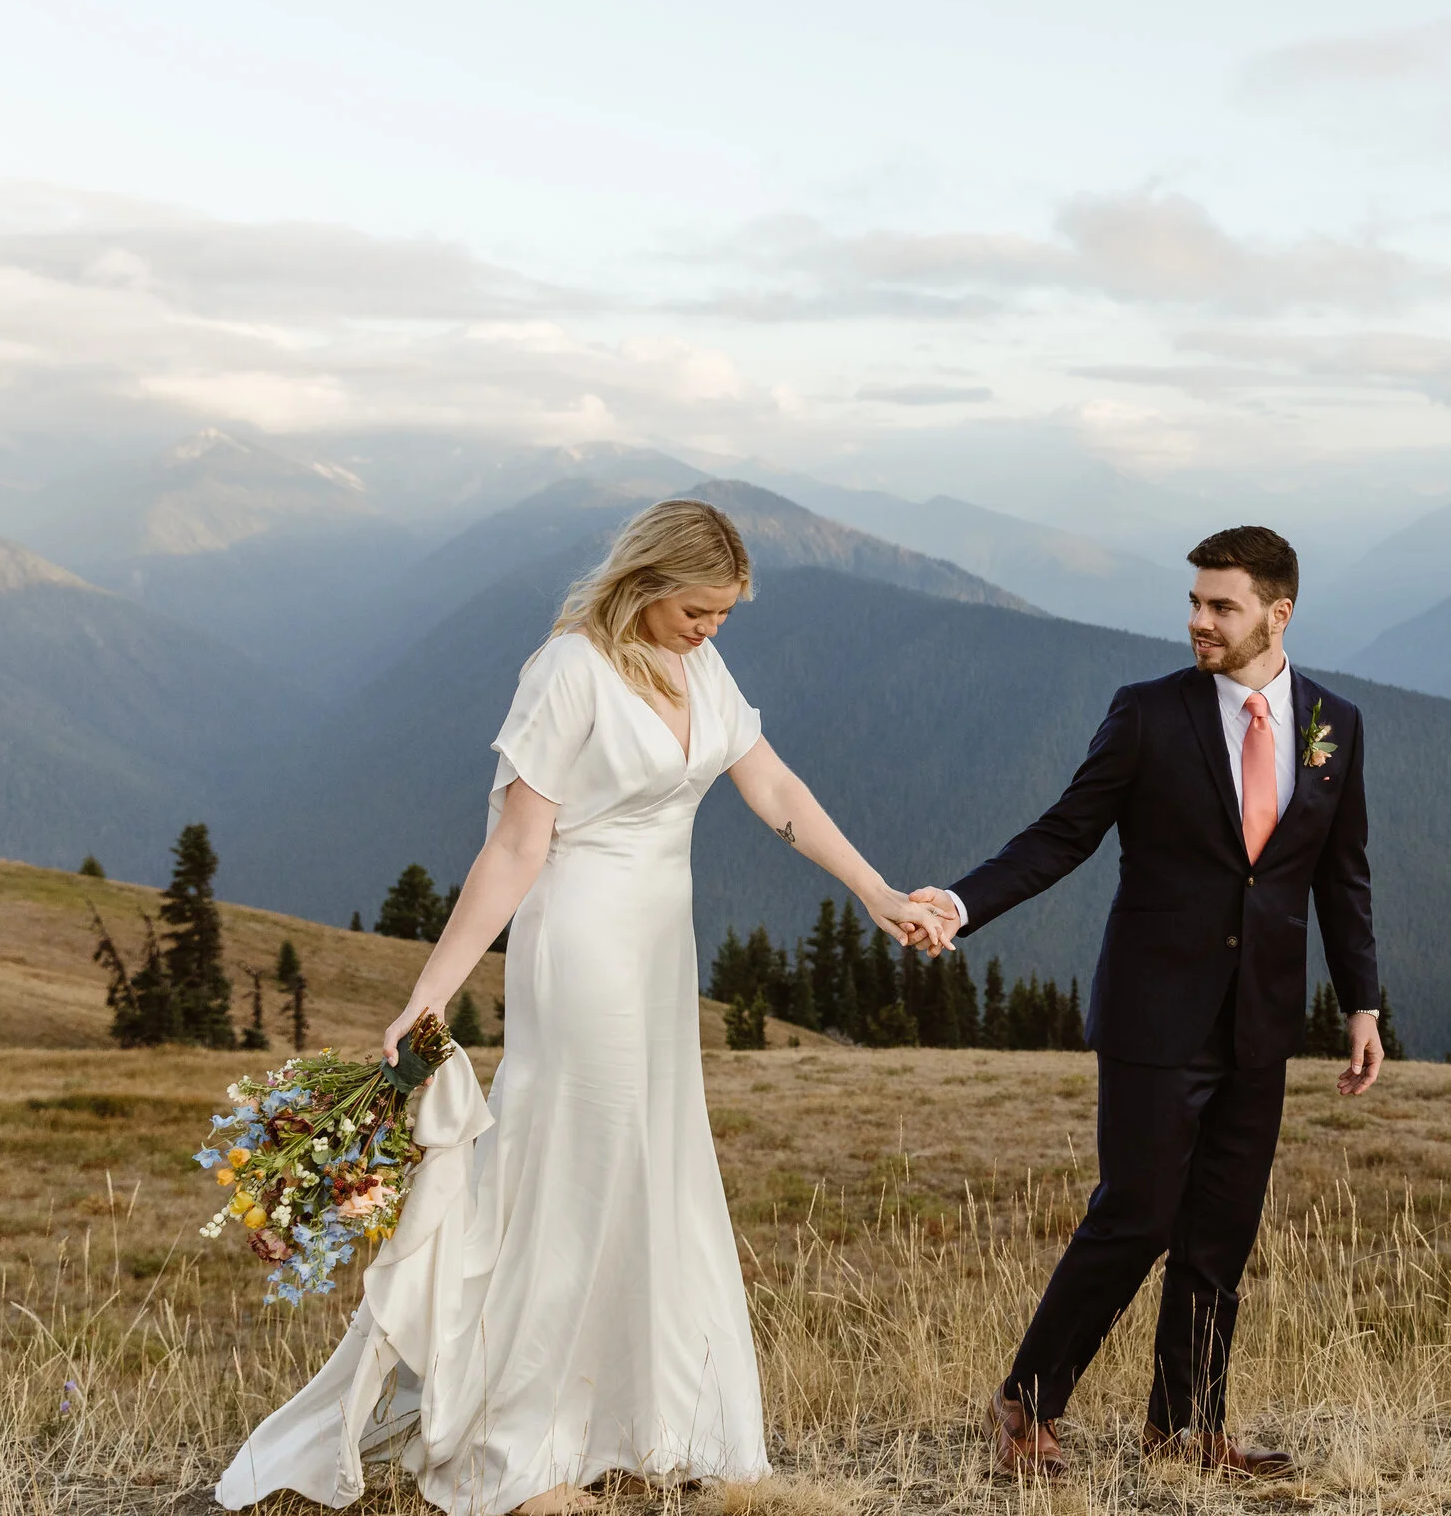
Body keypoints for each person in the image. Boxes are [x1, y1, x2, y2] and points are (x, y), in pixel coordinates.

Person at [216, 499, 932, 1516]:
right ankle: (520, 1455)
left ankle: (655, 1421)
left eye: (724, 614)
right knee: (572, 1174)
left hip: (656, 950)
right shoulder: (568, 671)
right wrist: (432, 992)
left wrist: (877, 891)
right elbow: (516, 847)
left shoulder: (696, 666)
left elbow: (772, 787)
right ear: (645, 582)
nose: (712, 627)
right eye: (698, 608)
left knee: (656, 1166)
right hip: (581, 944)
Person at [906, 524, 1381, 1480]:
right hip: (1152, 1018)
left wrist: (1362, 1001)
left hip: (1261, 1021)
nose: (1198, 621)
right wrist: (961, 902)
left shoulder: (1335, 722)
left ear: (1277, 615)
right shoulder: (1147, 714)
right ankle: (1026, 1405)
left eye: (1222, 606)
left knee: (1219, 1232)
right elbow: (1062, 834)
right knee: (1138, 1213)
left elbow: (1342, 872)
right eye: (1195, 602)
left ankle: (1188, 1427)